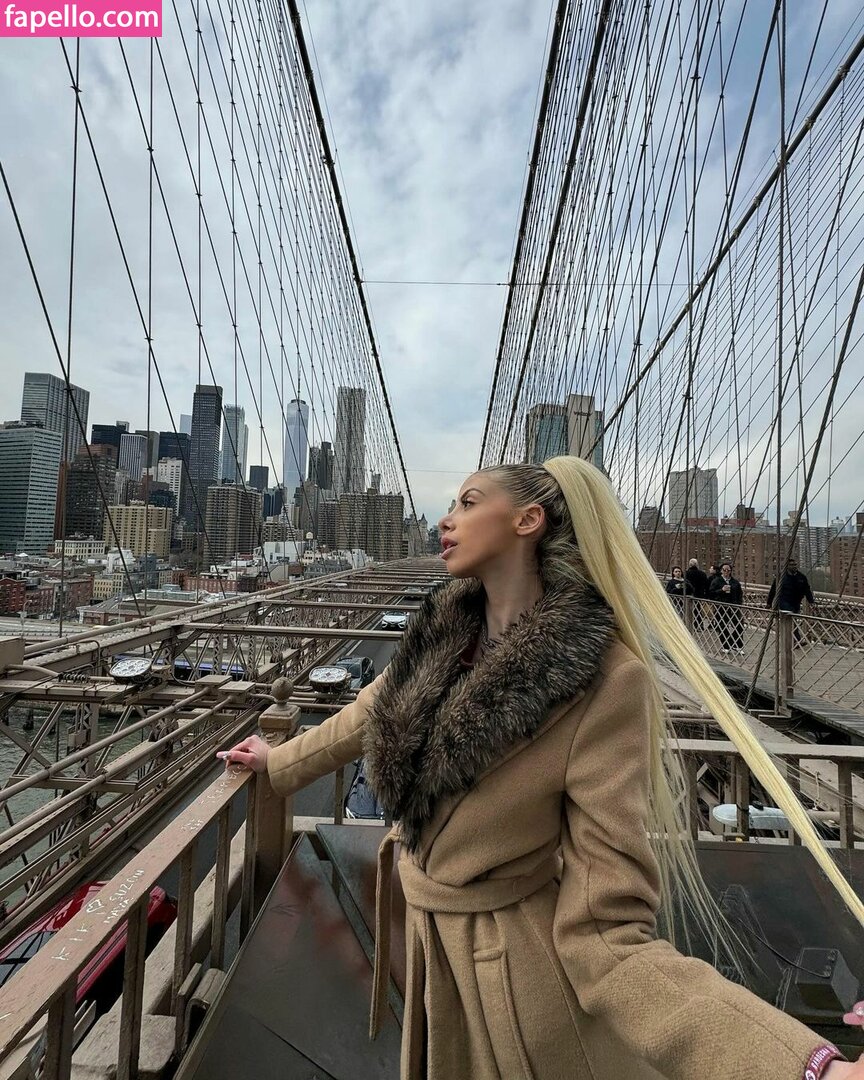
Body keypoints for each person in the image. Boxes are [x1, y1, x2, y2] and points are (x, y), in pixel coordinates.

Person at [220, 457, 864, 1080]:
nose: (446, 519)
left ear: (528, 521)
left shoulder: (606, 681)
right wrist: (280, 763)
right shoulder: (444, 634)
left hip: (518, 1003)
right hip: (429, 957)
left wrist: (810, 1068)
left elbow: (609, 937)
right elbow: (370, 710)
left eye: (469, 502)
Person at [767, 558, 816, 646]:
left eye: (795, 565)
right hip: (784, 602)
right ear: (787, 566)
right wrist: (769, 603)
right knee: (790, 619)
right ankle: (796, 641)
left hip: (796, 602)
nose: (794, 566)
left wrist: (811, 601)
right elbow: (773, 590)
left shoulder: (801, 577)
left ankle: (792, 641)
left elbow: (807, 590)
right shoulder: (781, 577)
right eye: (792, 565)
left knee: (793, 621)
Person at [709, 561, 744, 653]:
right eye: (724, 570)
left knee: (739, 625)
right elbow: (711, 594)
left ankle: (737, 645)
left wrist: (739, 604)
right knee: (722, 626)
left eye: (728, 570)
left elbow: (740, 594)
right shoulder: (716, 581)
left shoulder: (735, 582)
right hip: (721, 607)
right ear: (721, 570)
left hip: (734, 607)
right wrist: (721, 590)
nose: (726, 572)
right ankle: (726, 646)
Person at [685, 557, 709, 629]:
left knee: (687, 609)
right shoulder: (702, 574)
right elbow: (706, 585)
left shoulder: (686, 573)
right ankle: (699, 624)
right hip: (699, 595)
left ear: (689, 565)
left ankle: (687, 625)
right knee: (697, 610)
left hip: (688, 594)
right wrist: (705, 595)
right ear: (697, 565)